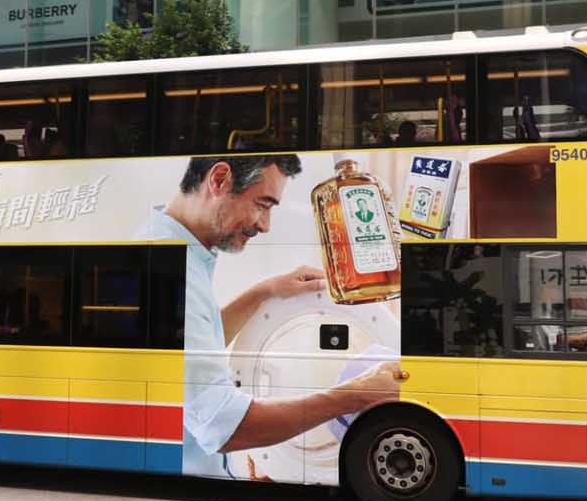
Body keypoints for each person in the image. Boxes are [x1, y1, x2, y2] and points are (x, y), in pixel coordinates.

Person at [135, 155, 404, 477]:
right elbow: (226, 426)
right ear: (219, 180)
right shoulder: (168, 270)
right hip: (183, 487)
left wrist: (265, 292)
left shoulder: (178, 251)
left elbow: (186, 349)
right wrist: (357, 394)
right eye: (262, 205)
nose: (265, 225)